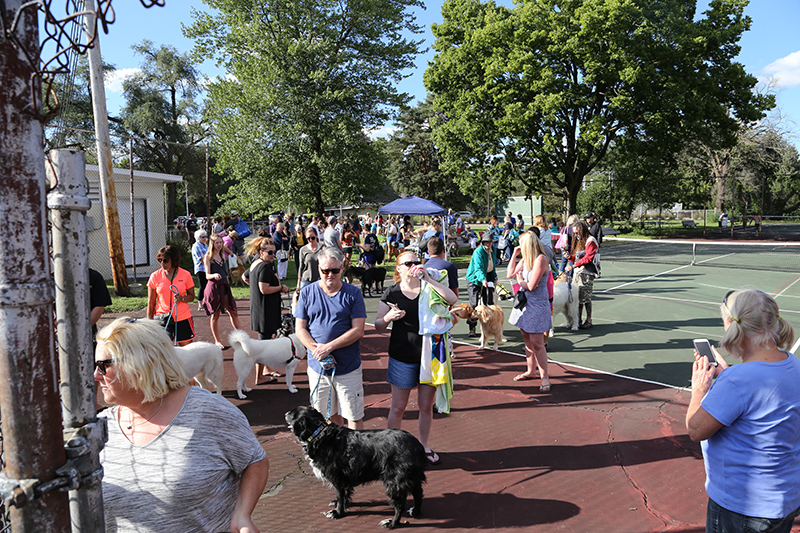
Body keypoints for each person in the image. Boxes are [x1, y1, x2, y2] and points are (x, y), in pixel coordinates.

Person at [95, 317, 268, 532]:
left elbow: (255, 460)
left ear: (139, 363)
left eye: (103, 366)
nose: (96, 376)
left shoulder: (211, 412)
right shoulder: (100, 428)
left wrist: (242, 514)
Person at [686, 289, 800, 532]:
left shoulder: (739, 380)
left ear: (731, 324)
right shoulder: (793, 364)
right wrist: (727, 374)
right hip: (785, 497)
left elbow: (696, 429)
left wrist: (699, 388)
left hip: (744, 506)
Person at [374, 250, 458, 465]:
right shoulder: (392, 293)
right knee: (398, 407)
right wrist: (388, 317)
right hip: (402, 356)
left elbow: (452, 298)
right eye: (407, 262)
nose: (413, 265)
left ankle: (424, 446)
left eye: (416, 261)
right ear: (399, 268)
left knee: (425, 406)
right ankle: (390, 449)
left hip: (429, 357)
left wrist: (428, 278)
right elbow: (378, 326)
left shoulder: (429, 288)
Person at [295, 247, 367, 430]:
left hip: (348, 368)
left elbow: (358, 330)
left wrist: (328, 348)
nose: (330, 275)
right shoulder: (307, 293)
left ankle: (355, 457)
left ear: (342, 268)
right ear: (318, 268)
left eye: (335, 270)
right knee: (327, 415)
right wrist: (317, 351)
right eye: (325, 270)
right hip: (318, 368)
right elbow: (300, 328)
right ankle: (337, 455)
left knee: (354, 416)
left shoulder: (354, 293)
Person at [507, 232, 552, 391]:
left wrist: (520, 281)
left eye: (521, 244)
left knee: (537, 344)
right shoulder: (526, 259)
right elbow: (509, 273)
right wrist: (514, 254)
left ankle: (544, 377)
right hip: (525, 305)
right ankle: (530, 371)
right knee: (527, 340)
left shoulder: (541, 259)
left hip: (537, 306)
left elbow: (531, 286)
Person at [146, 245, 195, 346]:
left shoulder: (186, 275)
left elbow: (191, 296)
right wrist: (149, 321)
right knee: (163, 350)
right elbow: (151, 301)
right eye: (159, 260)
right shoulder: (154, 276)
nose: (162, 263)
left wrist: (182, 298)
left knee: (187, 349)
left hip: (182, 317)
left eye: (165, 260)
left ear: (173, 259)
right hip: (162, 318)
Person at [201, 233, 242, 349]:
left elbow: (226, 273)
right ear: (212, 244)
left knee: (233, 311)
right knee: (216, 314)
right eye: (217, 243)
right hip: (213, 287)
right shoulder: (208, 257)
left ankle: (241, 337)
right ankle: (217, 341)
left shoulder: (223, 255)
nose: (219, 245)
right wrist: (214, 275)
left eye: (220, 242)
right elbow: (207, 275)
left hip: (224, 286)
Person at [565, 221, 598, 329]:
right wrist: (570, 257)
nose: (575, 235)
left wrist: (573, 266)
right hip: (578, 273)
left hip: (586, 273)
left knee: (586, 298)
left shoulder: (591, 241)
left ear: (583, 231)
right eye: (574, 233)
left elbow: (588, 258)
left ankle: (588, 320)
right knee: (577, 298)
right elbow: (579, 258)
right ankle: (577, 319)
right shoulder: (581, 241)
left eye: (577, 233)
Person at [465, 232, 497, 338]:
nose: (488, 244)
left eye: (489, 242)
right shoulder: (478, 252)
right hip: (474, 279)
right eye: (485, 242)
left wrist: (494, 276)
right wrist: (483, 280)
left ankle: (488, 328)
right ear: (482, 243)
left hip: (486, 278)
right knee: (474, 304)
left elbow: (492, 265)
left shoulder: (493, 251)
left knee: (489, 304)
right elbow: (478, 268)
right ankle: (472, 328)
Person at [89, 267, 112, 351]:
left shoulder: (93, 276)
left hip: (87, 331)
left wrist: (83, 329)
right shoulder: (52, 279)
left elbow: (99, 306)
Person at [297, 226, 324, 290]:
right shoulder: (303, 250)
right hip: (306, 280)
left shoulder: (323, 249)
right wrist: (298, 284)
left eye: (313, 238)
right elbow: (301, 267)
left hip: (320, 280)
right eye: (308, 238)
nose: (311, 240)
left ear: (317, 236)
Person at [191, 229, 209, 310]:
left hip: (207, 268)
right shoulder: (196, 246)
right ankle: (200, 304)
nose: (204, 238)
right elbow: (201, 259)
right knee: (202, 286)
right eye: (202, 237)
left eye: (205, 237)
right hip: (200, 269)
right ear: (198, 238)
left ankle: (207, 302)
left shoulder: (205, 245)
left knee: (208, 286)